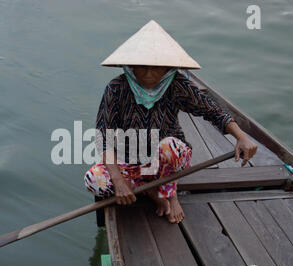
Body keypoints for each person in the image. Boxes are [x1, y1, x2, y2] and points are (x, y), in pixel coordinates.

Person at [84, 20, 257, 223]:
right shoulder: (116, 88)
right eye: (142, 67)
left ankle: (168, 192)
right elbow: (104, 136)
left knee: (168, 146)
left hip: (168, 162)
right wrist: (118, 179)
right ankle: (148, 190)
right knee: (94, 180)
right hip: (130, 160)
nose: (149, 74)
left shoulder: (176, 84)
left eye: (156, 68)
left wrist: (241, 136)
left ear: (167, 68)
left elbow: (213, 110)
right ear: (130, 65)